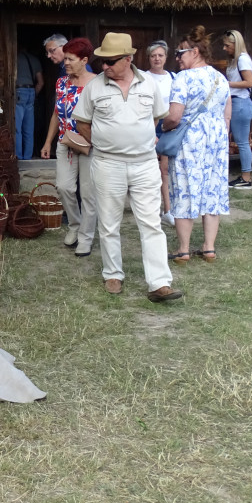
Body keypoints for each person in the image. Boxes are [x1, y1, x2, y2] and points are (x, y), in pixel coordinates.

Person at [72, 33, 182, 303]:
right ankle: (112, 274)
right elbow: (82, 122)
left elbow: (156, 118)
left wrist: (136, 140)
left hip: (144, 163)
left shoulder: (148, 84)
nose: (104, 66)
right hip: (107, 163)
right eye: (102, 61)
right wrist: (103, 143)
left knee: (151, 223)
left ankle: (159, 283)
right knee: (109, 222)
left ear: (128, 59)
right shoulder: (94, 87)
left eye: (110, 61)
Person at [161, 26, 230, 263]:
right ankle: (209, 248)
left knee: (185, 188)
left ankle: (183, 249)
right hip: (217, 140)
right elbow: (227, 114)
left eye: (180, 53)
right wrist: (220, 137)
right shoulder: (220, 78)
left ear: (195, 52)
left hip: (190, 141)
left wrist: (163, 127)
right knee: (213, 189)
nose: (177, 58)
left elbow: (174, 116)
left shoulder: (183, 78)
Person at [40, 37, 99, 255]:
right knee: (64, 187)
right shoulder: (61, 83)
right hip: (66, 142)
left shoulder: (97, 84)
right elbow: (57, 113)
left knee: (89, 193)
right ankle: (75, 225)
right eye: (64, 59)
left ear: (84, 60)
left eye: (70, 59)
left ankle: (86, 237)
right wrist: (48, 141)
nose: (65, 63)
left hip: (90, 144)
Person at [146, 40, 176, 226]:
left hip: (168, 125)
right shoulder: (144, 77)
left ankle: (168, 209)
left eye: (160, 55)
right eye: (153, 56)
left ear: (165, 57)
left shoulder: (173, 77)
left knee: (164, 169)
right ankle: (148, 207)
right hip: (149, 124)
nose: (157, 59)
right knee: (148, 169)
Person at [223, 29, 252, 189]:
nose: (224, 48)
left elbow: (249, 82)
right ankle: (244, 176)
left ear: (236, 44)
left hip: (240, 103)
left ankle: (246, 178)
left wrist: (226, 84)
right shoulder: (236, 60)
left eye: (227, 45)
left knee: (242, 143)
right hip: (236, 103)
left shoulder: (242, 59)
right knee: (241, 142)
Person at [15, 49, 44, 160]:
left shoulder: (15, 58)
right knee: (29, 128)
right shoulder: (34, 59)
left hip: (18, 91)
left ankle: (18, 156)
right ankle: (27, 156)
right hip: (31, 91)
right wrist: (33, 94)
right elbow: (41, 83)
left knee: (17, 128)